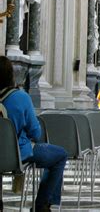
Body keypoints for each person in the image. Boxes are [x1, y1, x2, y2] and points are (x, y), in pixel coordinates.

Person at [0, 56, 68, 212]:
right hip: (18, 154)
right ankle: (42, 205)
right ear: (11, 75)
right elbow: (36, 133)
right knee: (60, 155)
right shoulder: (21, 97)